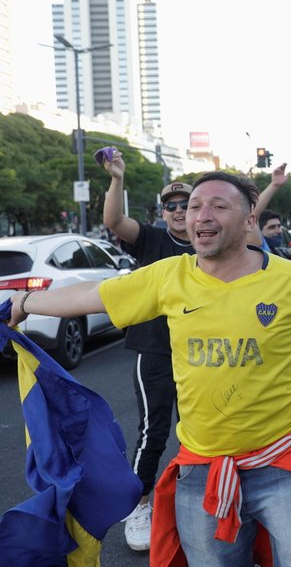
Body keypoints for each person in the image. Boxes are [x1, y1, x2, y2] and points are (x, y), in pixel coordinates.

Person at [8, 171, 291, 563]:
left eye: (219, 206)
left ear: (249, 220)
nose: (201, 215)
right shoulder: (171, 275)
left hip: (284, 459)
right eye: (196, 206)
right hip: (202, 467)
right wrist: (26, 303)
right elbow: (94, 295)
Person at [100, 148, 194, 552]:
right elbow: (114, 221)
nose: (177, 210)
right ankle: (138, 506)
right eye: (170, 205)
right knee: (154, 431)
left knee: (206, 429)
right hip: (155, 351)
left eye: (185, 204)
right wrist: (117, 178)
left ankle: (203, 501)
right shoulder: (153, 239)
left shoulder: (213, 242)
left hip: (201, 352)